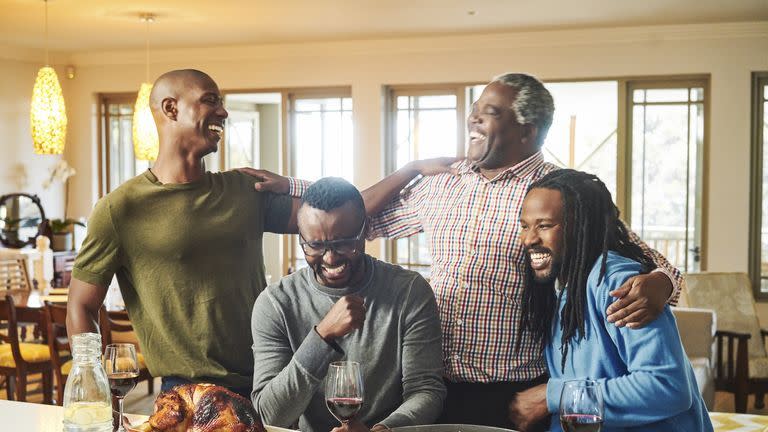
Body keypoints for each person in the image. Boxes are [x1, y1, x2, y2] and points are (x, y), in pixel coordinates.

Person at [359, 73, 685, 428]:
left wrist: (660, 283)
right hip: (431, 387)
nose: (473, 119)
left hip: (513, 394)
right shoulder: (441, 182)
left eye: (489, 112)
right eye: (474, 111)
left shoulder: (556, 193)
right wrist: (408, 169)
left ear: (527, 130)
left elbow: (660, 269)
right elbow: (355, 219)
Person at [66, 69, 305, 398]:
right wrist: (94, 389)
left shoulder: (245, 190)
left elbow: (338, 215)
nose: (222, 111)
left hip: (271, 382)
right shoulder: (119, 209)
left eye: (221, 102)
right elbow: (80, 306)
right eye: (210, 100)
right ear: (170, 109)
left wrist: (292, 184)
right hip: (186, 395)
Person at [509, 169, 712, 432]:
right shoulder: (558, 288)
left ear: (581, 227)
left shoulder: (618, 284)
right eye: (524, 226)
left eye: (544, 225)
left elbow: (667, 386)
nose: (529, 239)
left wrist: (551, 396)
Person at [250, 177, 445, 432]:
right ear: (301, 239)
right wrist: (322, 337)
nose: (330, 258)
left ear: (364, 231)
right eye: (316, 245)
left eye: (343, 243)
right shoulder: (275, 303)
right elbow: (269, 415)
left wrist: (383, 430)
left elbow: (426, 390)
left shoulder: (409, 292)